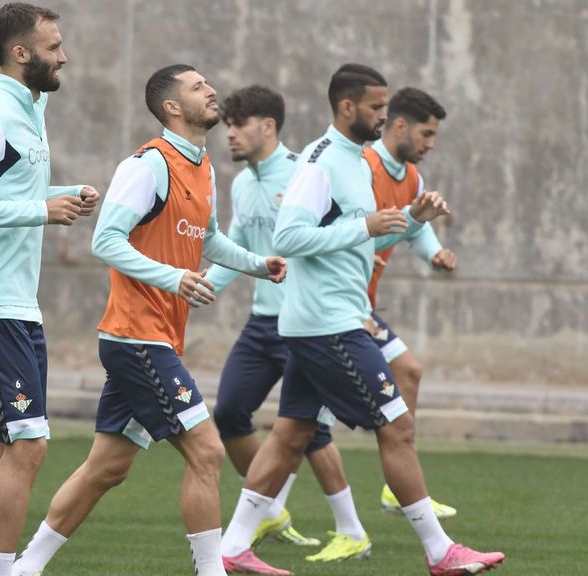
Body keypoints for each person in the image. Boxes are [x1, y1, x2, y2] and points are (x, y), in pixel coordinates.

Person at [219, 64, 504, 576]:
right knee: (398, 428)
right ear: (347, 107)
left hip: (327, 318)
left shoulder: (357, 161)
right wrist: (362, 225)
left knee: (290, 435)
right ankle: (440, 551)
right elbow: (288, 238)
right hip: (328, 323)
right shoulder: (322, 162)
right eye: (376, 107)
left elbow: (360, 242)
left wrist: (411, 221)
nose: (383, 115)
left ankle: (232, 546)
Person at [12, 64, 286, 576]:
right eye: (198, 87)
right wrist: (173, 278)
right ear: (172, 108)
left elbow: (206, 239)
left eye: (209, 83)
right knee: (207, 451)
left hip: (154, 338)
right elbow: (104, 241)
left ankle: (24, 568)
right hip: (136, 338)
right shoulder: (147, 164)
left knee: (106, 468)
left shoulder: (202, 165)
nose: (212, 90)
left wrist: (258, 265)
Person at [0, 4, 98, 575]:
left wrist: (62, 193)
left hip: (15, 307)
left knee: (10, 446)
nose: (64, 55)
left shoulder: (31, 104)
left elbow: (12, 189)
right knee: (27, 445)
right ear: (21, 53)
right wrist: (40, 209)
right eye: (53, 47)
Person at [206, 84, 371, 563]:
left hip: (305, 321)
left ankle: (351, 528)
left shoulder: (306, 170)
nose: (230, 135)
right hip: (262, 323)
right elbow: (236, 249)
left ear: (268, 127)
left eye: (238, 126)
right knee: (230, 413)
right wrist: (197, 290)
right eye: (228, 126)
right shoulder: (240, 183)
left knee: (307, 429)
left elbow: (344, 238)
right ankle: (270, 509)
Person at [363, 86, 458, 518]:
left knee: (409, 371)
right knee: (302, 429)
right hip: (335, 309)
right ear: (399, 125)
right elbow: (350, 236)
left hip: (358, 307)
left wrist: (433, 251)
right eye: (427, 134)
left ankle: (395, 488)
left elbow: (414, 229)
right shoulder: (361, 169)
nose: (430, 145)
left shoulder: (412, 179)